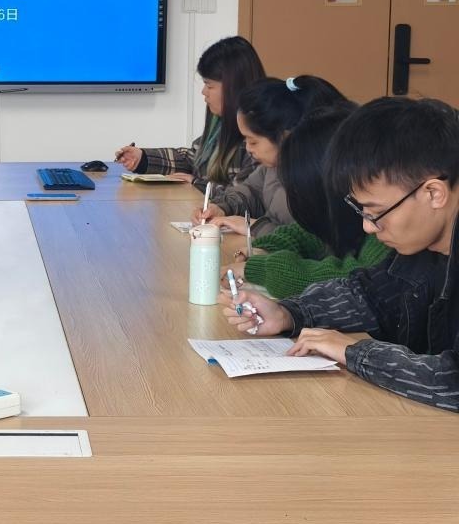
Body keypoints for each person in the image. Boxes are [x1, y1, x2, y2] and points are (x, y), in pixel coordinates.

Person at [220, 97, 459, 412]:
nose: (368, 226)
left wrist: (354, 352)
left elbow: (452, 382)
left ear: (433, 193)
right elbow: (368, 294)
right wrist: (288, 314)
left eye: (375, 212)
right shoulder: (423, 247)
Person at [219, 105, 391, 298]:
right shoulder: (342, 217)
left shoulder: (383, 233)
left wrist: (260, 269)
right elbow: (306, 234)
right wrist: (265, 249)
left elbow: (348, 280)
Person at [193, 75, 348, 237]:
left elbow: (310, 241)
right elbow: (251, 191)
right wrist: (222, 207)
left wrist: (254, 227)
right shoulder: (272, 167)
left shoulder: (312, 179)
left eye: (253, 141)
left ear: (284, 136)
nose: (248, 148)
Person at [116, 36, 266, 192]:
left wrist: (197, 183)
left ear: (233, 87)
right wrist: (143, 157)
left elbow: (242, 196)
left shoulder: (258, 140)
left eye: (209, 86)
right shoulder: (218, 126)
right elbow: (192, 158)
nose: (204, 92)